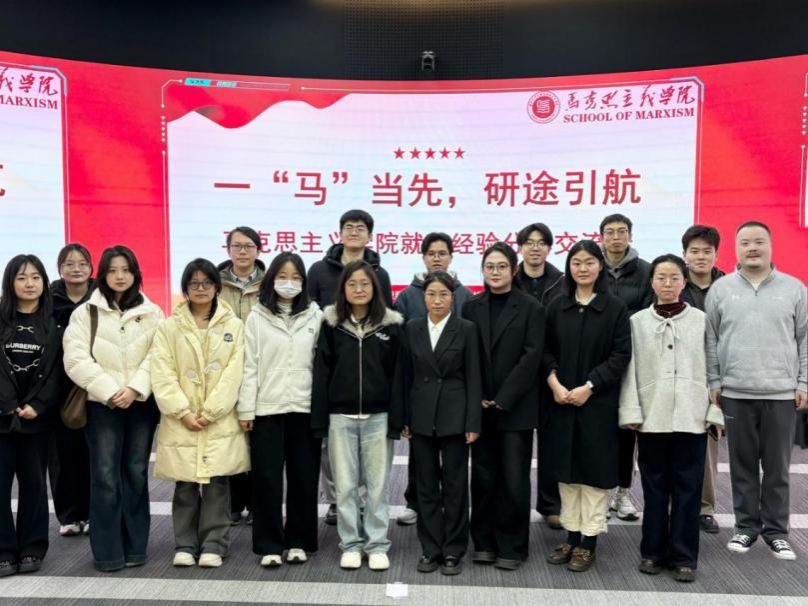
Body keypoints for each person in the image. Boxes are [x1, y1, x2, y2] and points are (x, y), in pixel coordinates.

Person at [706, 221, 808, 561]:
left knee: (778, 468)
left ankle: (777, 532)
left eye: (759, 241)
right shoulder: (721, 290)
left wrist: (804, 382)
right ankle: (746, 527)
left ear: (770, 245)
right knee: (742, 466)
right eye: (745, 242)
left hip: (781, 393)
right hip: (736, 392)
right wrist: (714, 381)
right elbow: (711, 339)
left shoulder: (794, 289)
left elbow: (805, 339)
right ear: (736, 249)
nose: (752, 247)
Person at [619, 254, 724, 583]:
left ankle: (683, 557)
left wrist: (714, 411)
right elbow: (629, 370)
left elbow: (715, 368)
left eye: (674, 278)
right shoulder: (637, 322)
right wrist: (632, 411)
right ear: (651, 282)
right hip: (652, 417)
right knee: (654, 489)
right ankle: (651, 552)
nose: (667, 284)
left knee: (688, 490)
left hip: (692, 417)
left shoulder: (701, 320)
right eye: (661, 278)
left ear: (684, 282)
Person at [63, 245, 163, 572]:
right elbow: (75, 359)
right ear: (102, 274)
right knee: (105, 475)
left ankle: (135, 548)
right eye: (112, 270)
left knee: (135, 472)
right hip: (101, 404)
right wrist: (110, 391)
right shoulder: (85, 313)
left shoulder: (153, 313)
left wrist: (134, 389)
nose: (120, 276)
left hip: (140, 404)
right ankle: (108, 553)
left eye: (126, 270)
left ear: (135, 273)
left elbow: (159, 356)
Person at [151, 258, 248, 568]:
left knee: (217, 483)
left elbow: (235, 372)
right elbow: (161, 371)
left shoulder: (234, 326)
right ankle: (185, 544)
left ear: (217, 287)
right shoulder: (169, 326)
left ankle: (214, 545)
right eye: (194, 283)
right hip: (181, 418)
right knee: (185, 484)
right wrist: (182, 411)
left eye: (207, 283)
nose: (201, 288)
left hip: (219, 418)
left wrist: (212, 411)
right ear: (185, 289)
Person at [543, 240, 631, 573]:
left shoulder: (615, 308)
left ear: (600, 266)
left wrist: (590, 386)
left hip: (598, 404)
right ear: (569, 267)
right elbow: (544, 350)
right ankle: (571, 536)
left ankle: (589, 541)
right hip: (561, 401)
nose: (582, 268)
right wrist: (555, 383)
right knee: (566, 473)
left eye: (589, 262)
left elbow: (620, 355)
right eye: (576, 262)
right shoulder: (557, 305)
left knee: (593, 474)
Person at [311, 260, 404, 571]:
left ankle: (377, 544)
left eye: (365, 284)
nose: (359, 289)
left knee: (377, 486)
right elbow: (322, 373)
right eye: (352, 284)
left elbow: (398, 375)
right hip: (341, 417)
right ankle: (350, 544)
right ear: (343, 289)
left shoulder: (390, 325)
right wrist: (320, 419)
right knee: (346, 486)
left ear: (375, 288)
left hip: (379, 417)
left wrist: (398, 419)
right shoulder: (331, 324)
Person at [462, 242, 545, 571]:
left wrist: (503, 397)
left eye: (501, 266)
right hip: (480, 407)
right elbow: (467, 355)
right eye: (489, 267)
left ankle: (512, 546)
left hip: (516, 408)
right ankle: (483, 542)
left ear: (514, 269)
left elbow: (532, 356)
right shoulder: (471, 306)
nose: (494, 272)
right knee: (482, 477)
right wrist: (480, 395)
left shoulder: (531, 307)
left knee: (513, 480)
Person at [308, 209, 393, 526]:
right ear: (340, 232)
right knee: (332, 446)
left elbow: (386, 317)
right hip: (330, 356)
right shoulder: (319, 270)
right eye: (348, 227)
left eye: (360, 228)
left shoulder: (379, 273)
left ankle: (365, 504)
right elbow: (308, 311)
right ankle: (335, 500)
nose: (354, 232)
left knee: (370, 450)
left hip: (368, 361)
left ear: (370, 235)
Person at [238, 252, 323, 568]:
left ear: (304, 282)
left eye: (296, 277)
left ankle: (300, 541)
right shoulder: (257, 317)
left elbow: (321, 366)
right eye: (283, 277)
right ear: (271, 280)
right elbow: (249, 365)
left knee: (304, 478)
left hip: (304, 408)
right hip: (267, 409)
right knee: (266, 479)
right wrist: (246, 409)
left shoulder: (316, 316)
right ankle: (269, 544)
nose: (289, 283)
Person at [401, 271, 481, 576]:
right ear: (423, 297)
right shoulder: (412, 327)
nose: (437, 300)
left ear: (453, 297)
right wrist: (404, 417)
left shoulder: (466, 329)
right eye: (431, 294)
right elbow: (405, 376)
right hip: (421, 416)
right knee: (425, 486)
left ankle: (453, 549)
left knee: (455, 485)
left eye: (443, 295)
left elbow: (474, 377)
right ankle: (430, 548)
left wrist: (473, 421)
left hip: (455, 416)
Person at [394, 232, 474, 527]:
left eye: (442, 253)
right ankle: (415, 502)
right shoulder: (407, 296)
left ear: (451, 257)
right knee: (420, 458)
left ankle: (452, 518)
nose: (437, 258)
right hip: (421, 389)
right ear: (423, 257)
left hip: (453, 391)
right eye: (431, 253)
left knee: (454, 465)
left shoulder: (464, 294)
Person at [0, 255, 64, 577]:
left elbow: (59, 371)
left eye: (36, 277)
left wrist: (39, 404)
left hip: (38, 419)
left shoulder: (55, 323)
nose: (29, 284)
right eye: (22, 277)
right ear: (10, 282)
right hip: (1, 416)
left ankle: (32, 547)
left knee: (34, 485)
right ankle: (3, 550)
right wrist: (8, 403)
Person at [599, 213, 652, 521]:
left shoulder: (645, 271)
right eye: (610, 232)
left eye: (621, 232)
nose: (616, 237)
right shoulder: (593, 267)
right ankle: (602, 492)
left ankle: (622, 492)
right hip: (598, 359)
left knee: (627, 429)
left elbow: (647, 313)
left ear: (630, 236)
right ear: (602, 237)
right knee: (600, 429)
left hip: (633, 358)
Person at [514, 222, 564, 530]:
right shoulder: (509, 277)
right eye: (529, 242)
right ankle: (514, 504)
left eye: (541, 242)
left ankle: (550, 505)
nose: (535, 247)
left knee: (552, 443)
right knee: (515, 444)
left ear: (549, 247)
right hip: (517, 371)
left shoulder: (562, 281)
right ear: (520, 247)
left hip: (551, 371)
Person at [218, 226, 265, 526]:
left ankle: (258, 502)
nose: (243, 251)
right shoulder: (215, 283)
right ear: (228, 250)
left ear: (258, 250)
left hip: (261, 370)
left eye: (248, 246)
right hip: (224, 370)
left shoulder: (270, 283)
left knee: (260, 440)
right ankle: (234, 503)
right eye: (237, 246)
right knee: (230, 437)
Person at [681, 225, 725, 534]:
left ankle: (705, 508)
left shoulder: (729, 286)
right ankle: (676, 505)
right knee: (676, 443)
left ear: (716, 254)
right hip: (680, 372)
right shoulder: (674, 282)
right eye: (694, 251)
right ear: (684, 254)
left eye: (706, 251)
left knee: (709, 443)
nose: (700, 256)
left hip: (715, 376)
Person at [49, 243, 95, 538]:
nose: (76, 269)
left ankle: (92, 513)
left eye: (82, 263)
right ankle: (69, 515)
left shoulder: (102, 297)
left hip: (94, 384)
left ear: (91, 268)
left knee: (94, 453)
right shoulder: (48, 300)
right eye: (69, 263)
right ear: (59, 269)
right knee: (61, 455)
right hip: (58, 387)